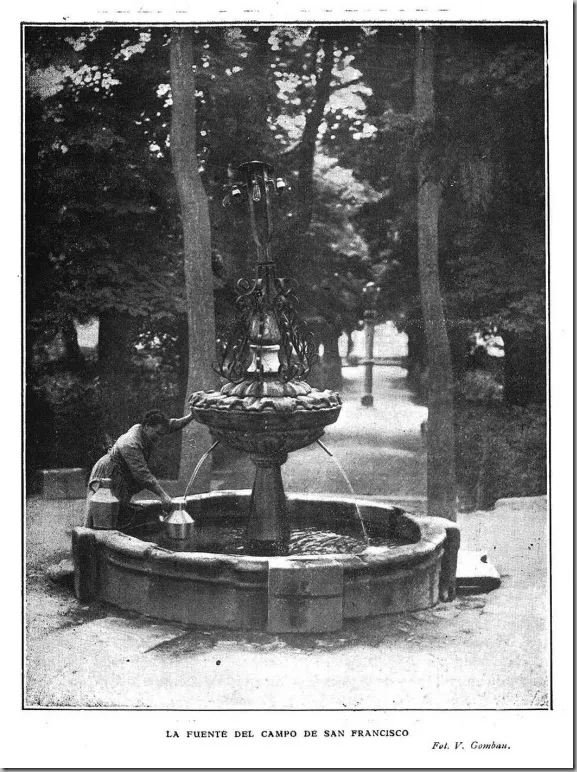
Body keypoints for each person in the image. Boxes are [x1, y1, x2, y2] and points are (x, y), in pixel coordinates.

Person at [84, 409, 195, 528]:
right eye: (157, 433)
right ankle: (89, 538)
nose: (159, 437)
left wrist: (191, 416)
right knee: (102, 511)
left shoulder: (144, 429)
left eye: (162, 434)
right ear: (147, 426)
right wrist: (163, 495)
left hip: (121, 472)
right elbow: (142, 474)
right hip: (108, 473)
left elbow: (172, 425)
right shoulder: (130, 443)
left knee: (118, 513)